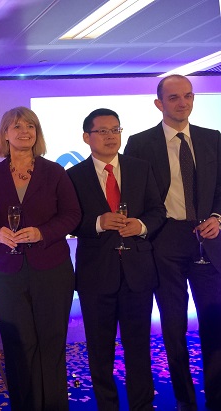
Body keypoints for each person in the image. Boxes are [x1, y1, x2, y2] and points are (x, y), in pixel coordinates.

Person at [0, 106, 81, 410]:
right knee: (18, 345)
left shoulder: (54, 172)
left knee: (51, 343)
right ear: (5, 134)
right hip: (7, 272)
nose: (24, 132)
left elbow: (72, 215)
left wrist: (42, 232)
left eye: (30, 126)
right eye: (17, 126)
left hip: (52, 268)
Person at [124, 75, 221, 411]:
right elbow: (134, 195)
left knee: (215, 324)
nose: (183, 103)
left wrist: (218, 217)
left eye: (188, 96)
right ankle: (184, 399)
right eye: (175, 97)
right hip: (165, 240)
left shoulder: (213, 138)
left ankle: (217, 398)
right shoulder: (140, 143)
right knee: (174, 325)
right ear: (159, 103)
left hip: (209, 239)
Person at [67, 108, 166, 410]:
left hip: (137, 272)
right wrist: (98, 223)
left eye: (115, 130)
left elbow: (157, 211)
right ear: (87, 137)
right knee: (100, 352)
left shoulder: (139, 168)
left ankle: (142, 405)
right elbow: (69, 220)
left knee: (139, 349)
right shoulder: (73, 176)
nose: (111, 137)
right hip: (96, 275)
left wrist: (142, 226)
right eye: (103, 131)